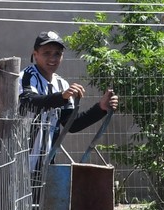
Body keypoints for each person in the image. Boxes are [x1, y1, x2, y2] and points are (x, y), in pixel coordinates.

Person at [18, 30, 118, 176]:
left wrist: (100, 108)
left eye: (57, 53)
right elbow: (29, 101)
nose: (52, 58)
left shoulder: (61, 84)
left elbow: (72, 124)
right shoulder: (26, 76)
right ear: (35, 54)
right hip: (20, 161)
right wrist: (61, 97)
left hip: (45, 165)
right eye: (47, 53)